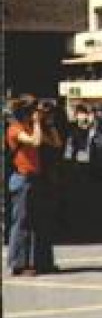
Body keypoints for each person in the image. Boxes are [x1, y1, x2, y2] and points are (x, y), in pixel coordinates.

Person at [7, 97, 61, 276]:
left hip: (35, 179)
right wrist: (37, 123)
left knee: (39, 221)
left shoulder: (31, 128)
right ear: (26, 112)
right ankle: (18, 264)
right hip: (22, 179)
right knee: (22, 222)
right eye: (33, 111)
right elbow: (35, 142)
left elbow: (56, 143)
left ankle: (40, 262)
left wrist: (50, 124)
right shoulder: (15, 129)